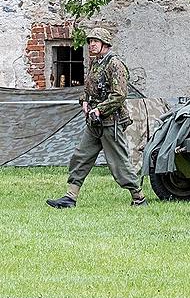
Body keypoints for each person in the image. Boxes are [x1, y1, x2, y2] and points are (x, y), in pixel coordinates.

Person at [47, 27, 146, 209]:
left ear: (105, 44)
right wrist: (84, 101)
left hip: (111, 122)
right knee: (80, 157)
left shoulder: (115, 64)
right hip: (94, 123)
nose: (91, 45)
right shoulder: (96, 64)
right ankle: (70, 197)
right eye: (90, 41)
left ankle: (138, 198)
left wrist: (99, 109)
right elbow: (89, 89)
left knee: (119, 163)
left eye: (96, 41)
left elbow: (119, 95)